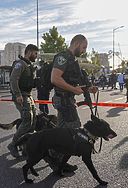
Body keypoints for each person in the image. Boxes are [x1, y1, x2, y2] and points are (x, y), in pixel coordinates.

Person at [49, 34, 98, 172]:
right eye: (83, 47)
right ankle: (56, 159)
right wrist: (73, 90)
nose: (84, 51)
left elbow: (71, 81)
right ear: (76, 44)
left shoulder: (71, 60)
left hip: (67, 99)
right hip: (63, 100)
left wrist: (88, 89)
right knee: (74, 133)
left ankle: (54, 158)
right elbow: (55, 78)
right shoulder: (63, 57)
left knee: (62, 133)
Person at [7, 44, 38, 158]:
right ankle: (13, 144)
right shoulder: (20, 64)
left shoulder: (29, 65)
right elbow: (13, 79)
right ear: (29, 52)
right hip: (22, 96)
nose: (36, 56)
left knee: (33, 122)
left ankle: (26, 146)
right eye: (35, 53)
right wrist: (18, 94)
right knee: (26, 121)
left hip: (28, 95)